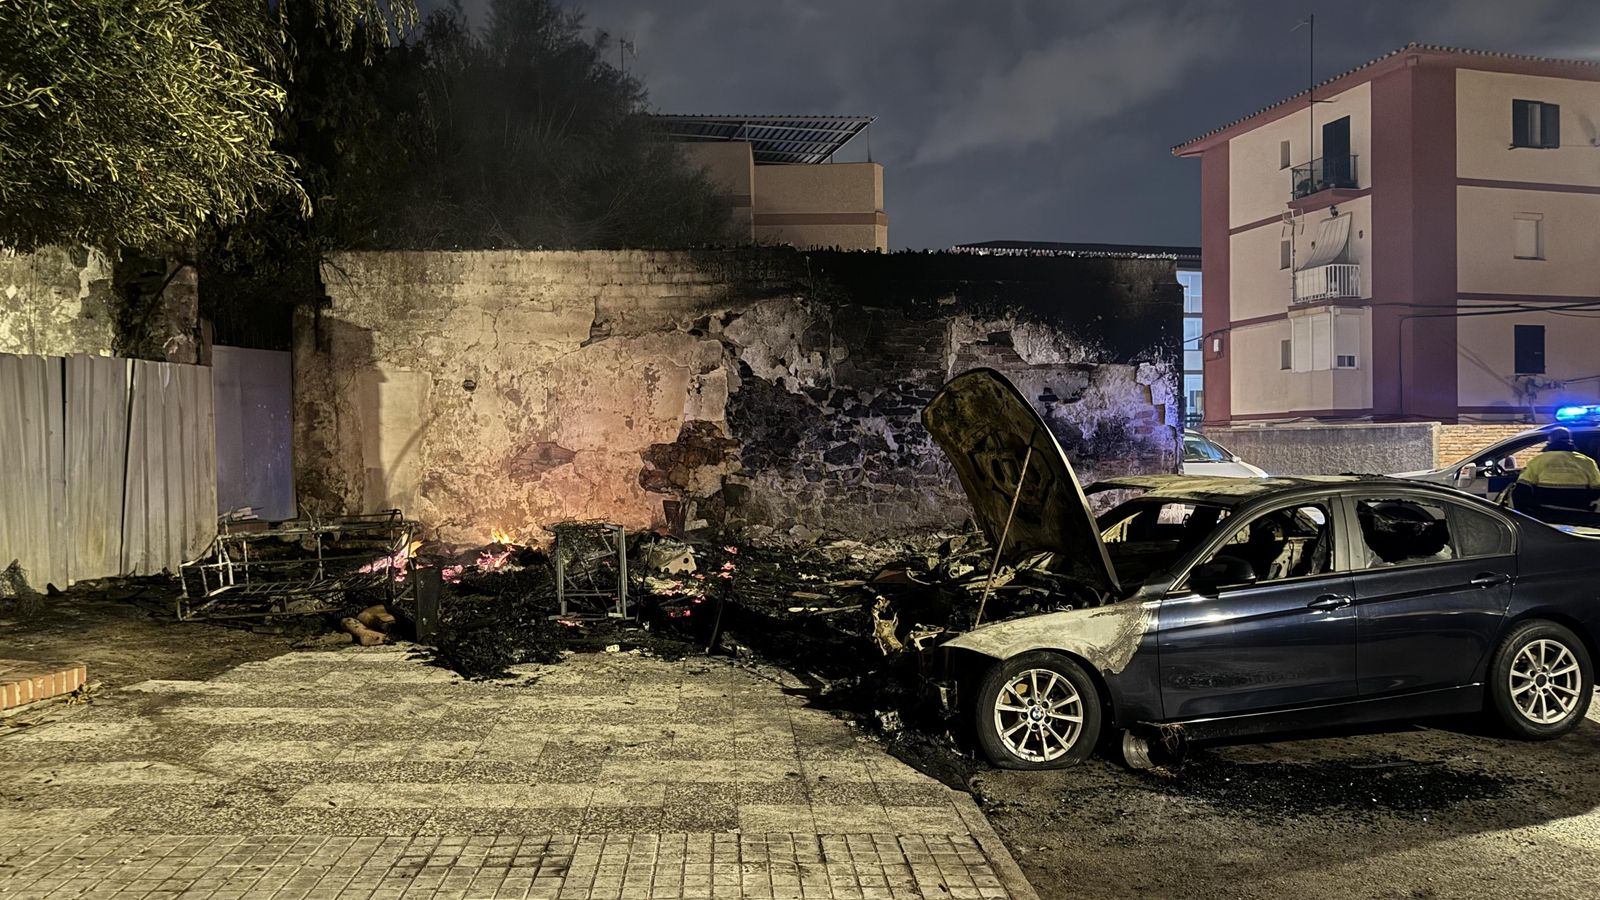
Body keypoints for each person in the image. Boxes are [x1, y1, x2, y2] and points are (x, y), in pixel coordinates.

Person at [1516, 427, 1600, 488]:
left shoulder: (1537, 461)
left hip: (1544, 509)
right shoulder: (1587, 462)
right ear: (1571, 442)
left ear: (1549, 442)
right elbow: (1597, 487)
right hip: (1581, 510)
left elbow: (1523, 487)